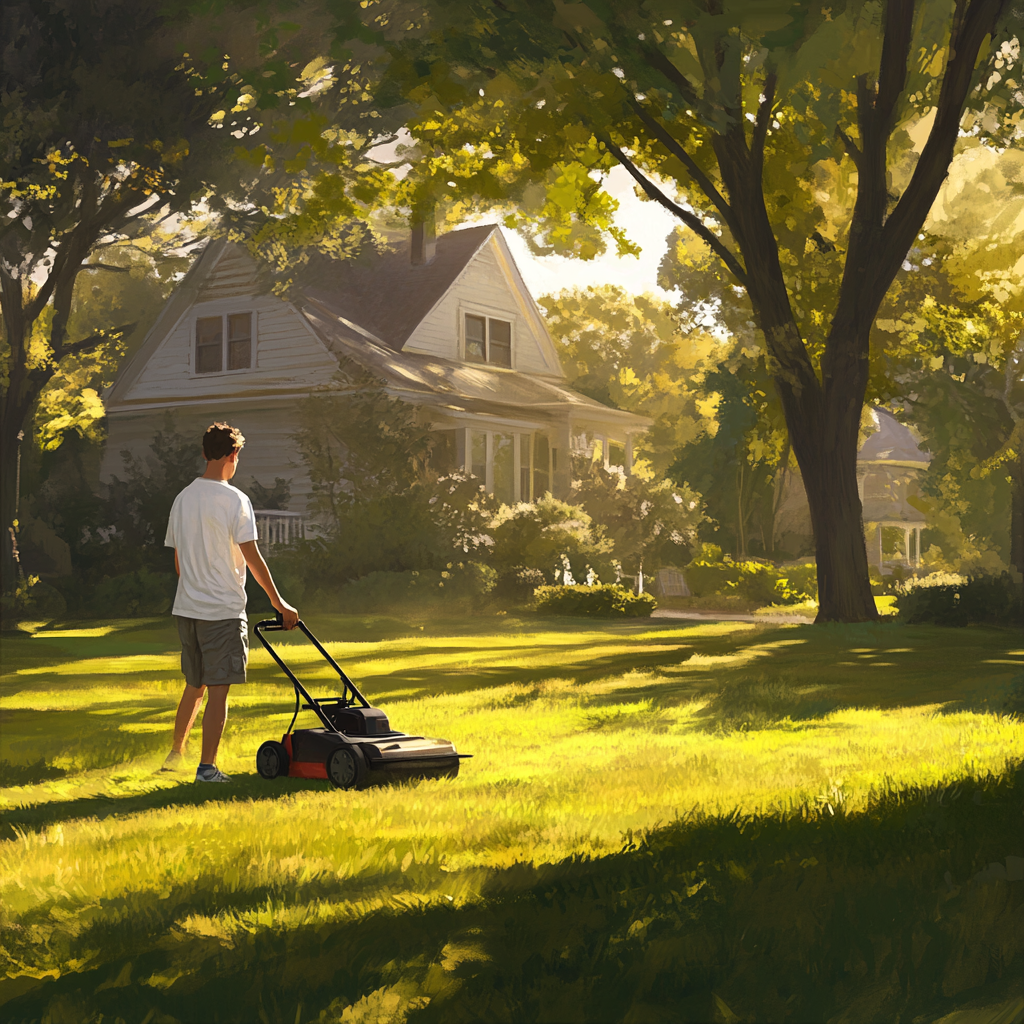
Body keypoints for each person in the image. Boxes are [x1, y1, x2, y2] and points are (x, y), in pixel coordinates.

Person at [160, 422, 298, 782]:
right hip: (222, 611)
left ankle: (176, 755)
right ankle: (207, 768)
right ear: (233, 454)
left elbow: (178, 562)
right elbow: (251, 556)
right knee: (218, 692)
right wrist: (279, 603)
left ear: (206, 453)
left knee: (195, 686)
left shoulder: (183, 498)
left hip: (187, 610)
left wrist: (195, 587)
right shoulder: (235, 499)